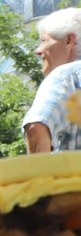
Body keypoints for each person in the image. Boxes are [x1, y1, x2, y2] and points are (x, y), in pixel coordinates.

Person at [22, 8, 81, 153]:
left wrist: (38, 168)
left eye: (44, 41)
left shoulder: (64, 77)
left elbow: (36, 128)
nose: (38, 50)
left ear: (69, 41)